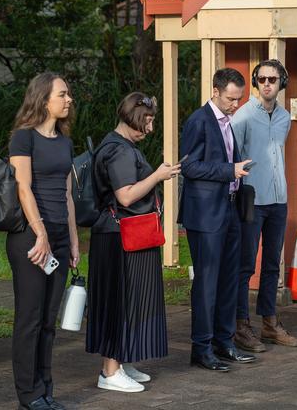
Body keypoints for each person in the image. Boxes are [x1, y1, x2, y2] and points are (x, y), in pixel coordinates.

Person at [86, 93, 180, 392]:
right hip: (120, 238)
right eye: (147, 122)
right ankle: (110, 372)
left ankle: (119, 363)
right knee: (121, 301)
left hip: (120, 235)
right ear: (130, 119)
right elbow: (125, 195)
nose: (150, 129)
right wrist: (158, 176)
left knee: (128, 300)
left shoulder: (116, 145)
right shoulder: (119, 151)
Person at [7, 72, 79, 410]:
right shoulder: (24, 138)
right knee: (30, 318)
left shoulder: (64, 142)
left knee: (49, 320)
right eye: (62, 94)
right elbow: (23, 187)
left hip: (59, 238)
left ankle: (45, 389)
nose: (68, 100)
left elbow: (67, 195)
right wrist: (41, 234)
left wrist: (74, 242)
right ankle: (29, 394)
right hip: (31, 239)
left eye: (68, 95)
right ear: (43, 98)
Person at [179, 68, 256, 371]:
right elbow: (189, 167)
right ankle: (202, 348)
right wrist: (229, 171)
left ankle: (224, 343)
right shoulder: (199, 121)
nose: (235, 105)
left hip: (230, 208)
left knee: (229, 280)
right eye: (230, 99)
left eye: (238, 99)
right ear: (215, 91)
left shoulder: (227, 122)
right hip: (206, 214)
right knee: (208, 283)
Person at [231, 59, 297, 352]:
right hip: (251, 199)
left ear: (282, 82)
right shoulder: (244, 115)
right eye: (261, 79)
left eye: (273, 79)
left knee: (273, 264)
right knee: (245, 265)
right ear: (256, 82)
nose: (267, 84)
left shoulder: (285, 117)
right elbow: (231, 156)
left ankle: (270, 323)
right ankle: (240, 325)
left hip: (278, 199)